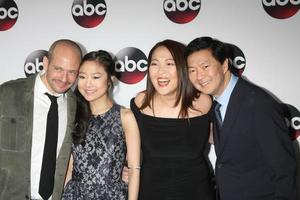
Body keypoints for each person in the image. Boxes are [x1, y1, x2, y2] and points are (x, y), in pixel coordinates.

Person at [185, 36, 298, 200]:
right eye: (192, 70)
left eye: (205, 66)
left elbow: (284, 168)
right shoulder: (216, 104)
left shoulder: (259, 104)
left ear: (224, 65)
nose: (199, 76)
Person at [130, 39, 215, 200]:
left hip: (196, 192)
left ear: (183, 68)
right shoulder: (140, 103)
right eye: (154, 64)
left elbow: (224, 141)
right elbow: (131, 151)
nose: (161, 72)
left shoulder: (204, 102)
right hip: (150, 192)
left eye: (169, 64)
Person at [0, 39, 82, 200]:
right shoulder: (8, 94)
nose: (64, 78)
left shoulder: (75, 105)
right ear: (45, 62)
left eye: (72, 72)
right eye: (58, 69)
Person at [62, 50, 141, 200]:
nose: (87, 84)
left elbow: (134, 170)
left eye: (96, 77)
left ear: (111, 79)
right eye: (82, 77)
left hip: (111, 195)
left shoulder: (125, 116)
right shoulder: (74, 115)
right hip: (75, 195)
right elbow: (70, 167)